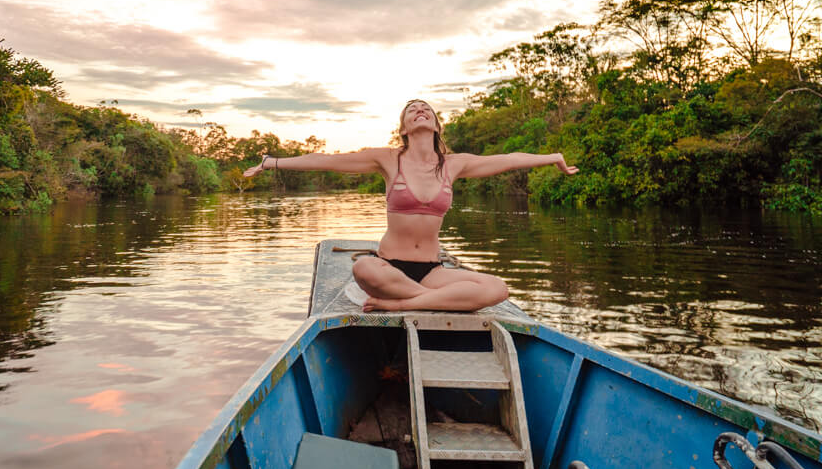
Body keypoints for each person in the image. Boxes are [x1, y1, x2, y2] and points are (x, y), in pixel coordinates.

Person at [243, 99, 578, 312]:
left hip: (431, 271)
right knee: (363, 268)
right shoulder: (388, 160)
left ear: (435, 124)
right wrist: (272, 162)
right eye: (412, 110)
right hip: (389, 267)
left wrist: (554, 158)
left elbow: (507, 159)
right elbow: (326, 161)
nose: (420, 110)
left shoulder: (454, 164)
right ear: (403, 128)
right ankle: (436, 303)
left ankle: (402, 305)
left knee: (498, 288)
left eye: (426, 109)